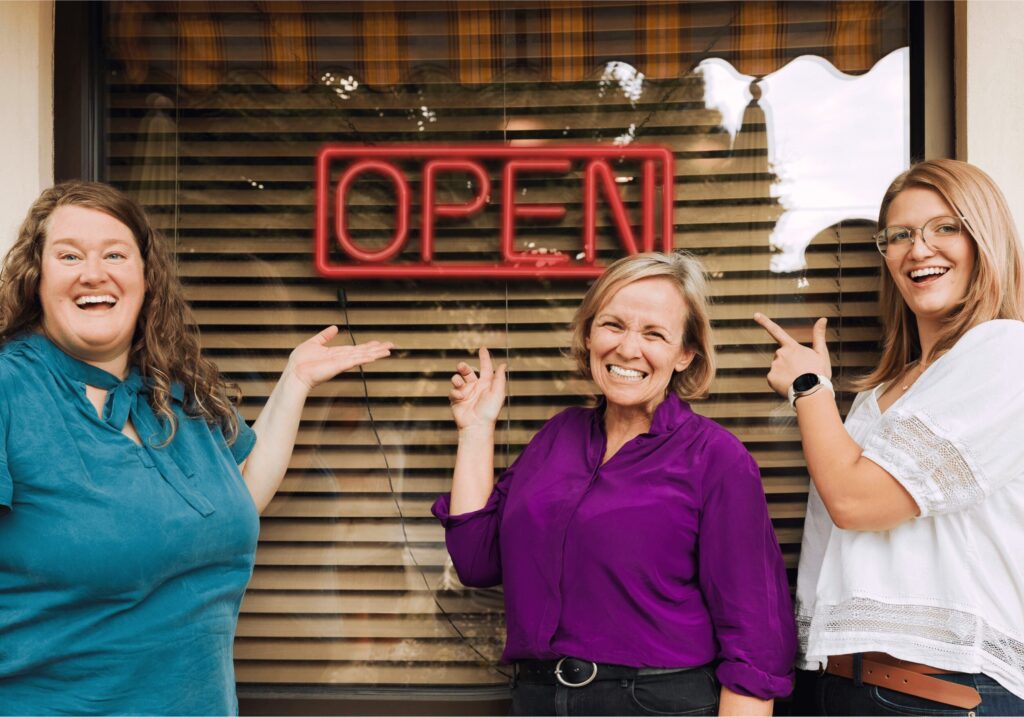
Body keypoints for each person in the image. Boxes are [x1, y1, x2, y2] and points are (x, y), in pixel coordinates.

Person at [0, 181, 393, 715]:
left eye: (114, 254)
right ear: (37, 277)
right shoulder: (10, 390)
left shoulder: (175, 389)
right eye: (69, 255)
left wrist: (294, 383)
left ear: (144, 278)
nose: (94, 272)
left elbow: (239, 493)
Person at [433, 251, 796, 716]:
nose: (628, 348)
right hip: (538, 699)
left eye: (654, 334)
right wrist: (476, 430)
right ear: (589, 334)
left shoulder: (716, 458)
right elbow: (476, 561)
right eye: (613, 325)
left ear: (685, 354)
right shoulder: (556, 438)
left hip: (656, 702)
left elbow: (756, 638)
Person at [755, 158, 1024, 715]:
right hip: (844, 686)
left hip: (942, 692)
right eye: (899, 235)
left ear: (984, 239)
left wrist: (808, 388)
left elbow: (857, 502)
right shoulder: (878, 396)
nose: (918, 249)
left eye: (944, 227)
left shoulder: (1005, 352)